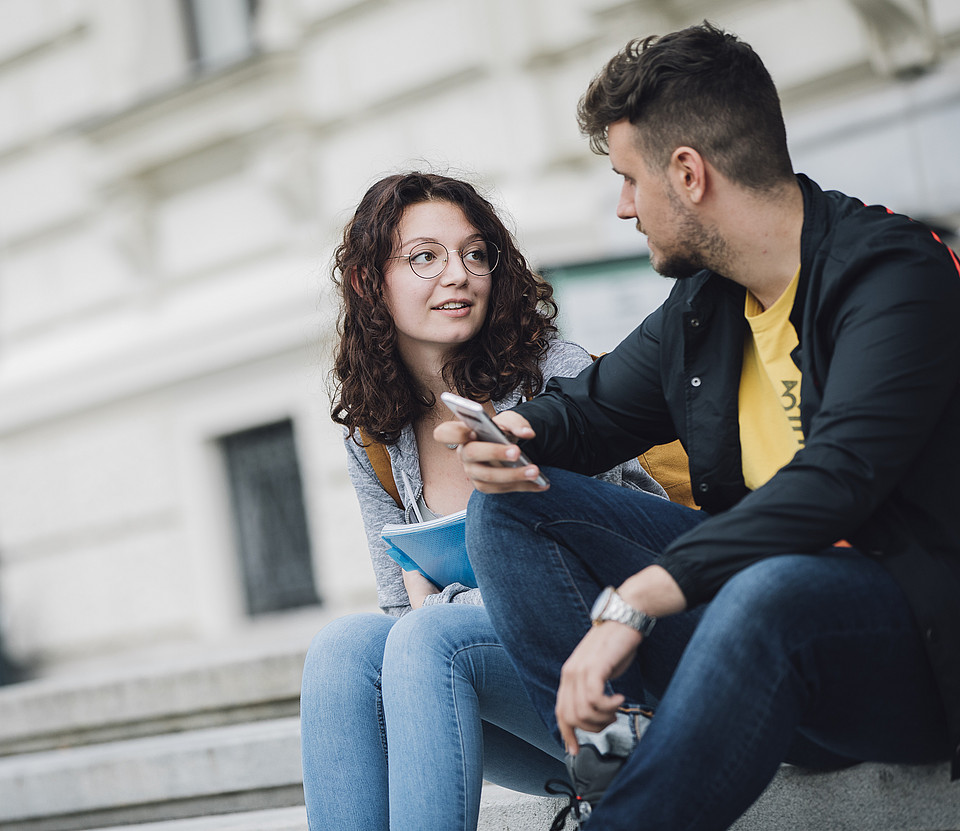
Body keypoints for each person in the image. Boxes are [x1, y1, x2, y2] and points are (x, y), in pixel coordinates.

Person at [436, 22, 960, 831]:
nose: (622, 208)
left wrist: (641, 595)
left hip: (911, 655)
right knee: (509, 508)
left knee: (772, 588)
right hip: (755, 638)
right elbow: (595, 406)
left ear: (688, 173)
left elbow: (838, 477)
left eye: (628, 180)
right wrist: (511, 431)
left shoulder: (895, 277)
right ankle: (608, 770)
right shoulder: (709, 305)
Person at [299, 172, 666, 831]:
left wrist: (439, 603)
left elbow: (605, 574)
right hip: (522, 707)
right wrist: (435, 606)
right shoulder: (377, 433)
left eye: (475, 253)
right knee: (344, 647)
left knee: (428, 634)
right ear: (366, 283)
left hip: (628, 689)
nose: (458, 275)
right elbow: (395, 605)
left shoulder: (557, 378)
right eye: (425, 257)